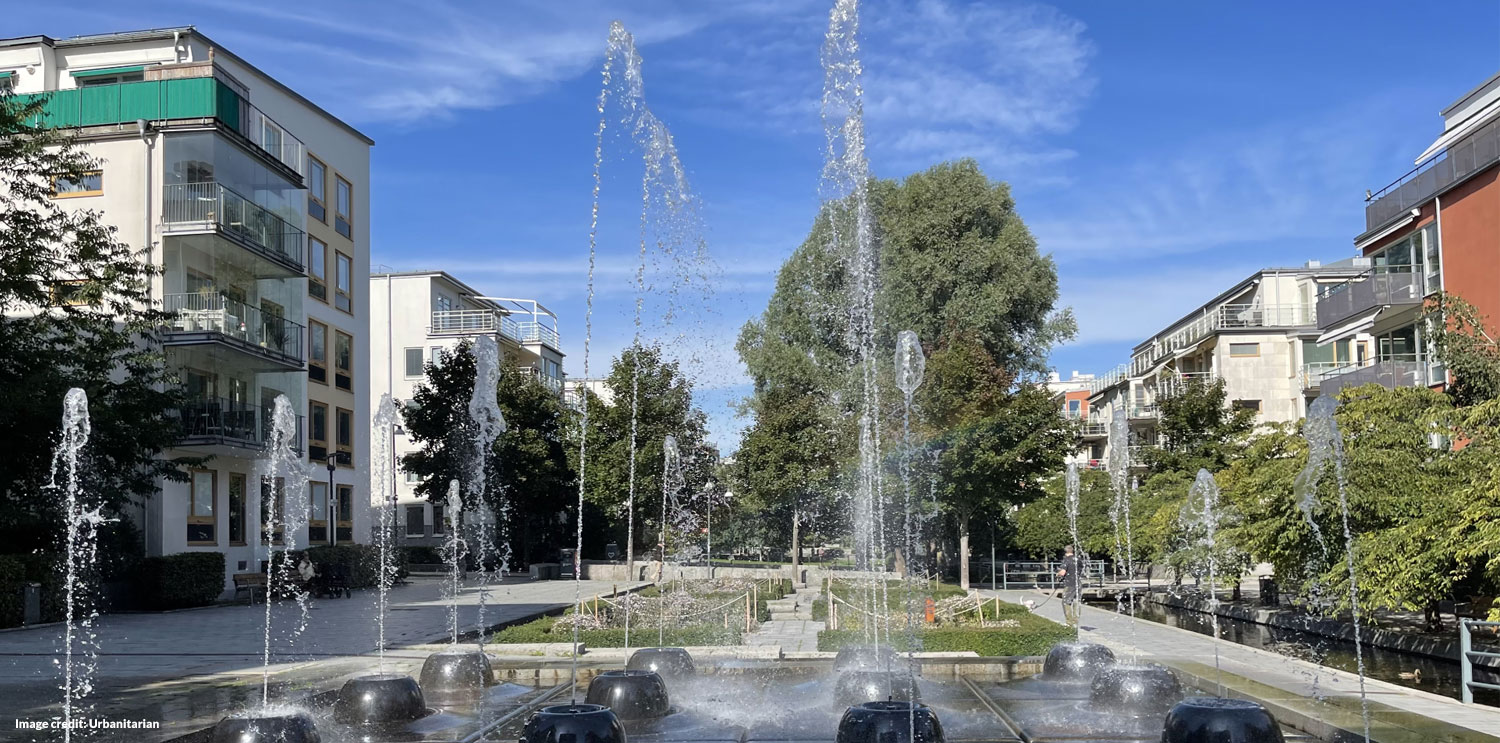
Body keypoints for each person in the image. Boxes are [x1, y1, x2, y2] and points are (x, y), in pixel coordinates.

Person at [1056, 545, 1079, 627]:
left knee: (1066, 601)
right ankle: (1076, 621)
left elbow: (1062, 573)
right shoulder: (1078, 559)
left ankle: (1069, 622)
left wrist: (1057, 574)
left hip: (1069, 584)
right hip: (1078, 583)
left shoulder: (1066, 560)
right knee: (1076, 602)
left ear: (1065, 552)